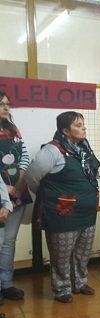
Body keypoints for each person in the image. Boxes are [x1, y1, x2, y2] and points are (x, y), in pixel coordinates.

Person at [25, 111, 100, 303]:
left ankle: (80, 283)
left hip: (87, 212)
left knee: (82, 253)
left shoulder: (83, 147)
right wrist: (48, 194)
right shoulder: (52, 151)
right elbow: (32, 178)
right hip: (63, 213)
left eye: (83, 124)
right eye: (78, 125)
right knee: (61, 256)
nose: (84, 128)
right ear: (65, 130)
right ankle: (62, 289)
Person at [0, 92, 29, 302]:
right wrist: (5, 192)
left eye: (7, 104)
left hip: (17, 193)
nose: (6, 108)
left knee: (9, 241)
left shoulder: (14, 129)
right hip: (2, 195)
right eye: (1, 104)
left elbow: (24, 156)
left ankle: (7, 284)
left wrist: (19, 184)